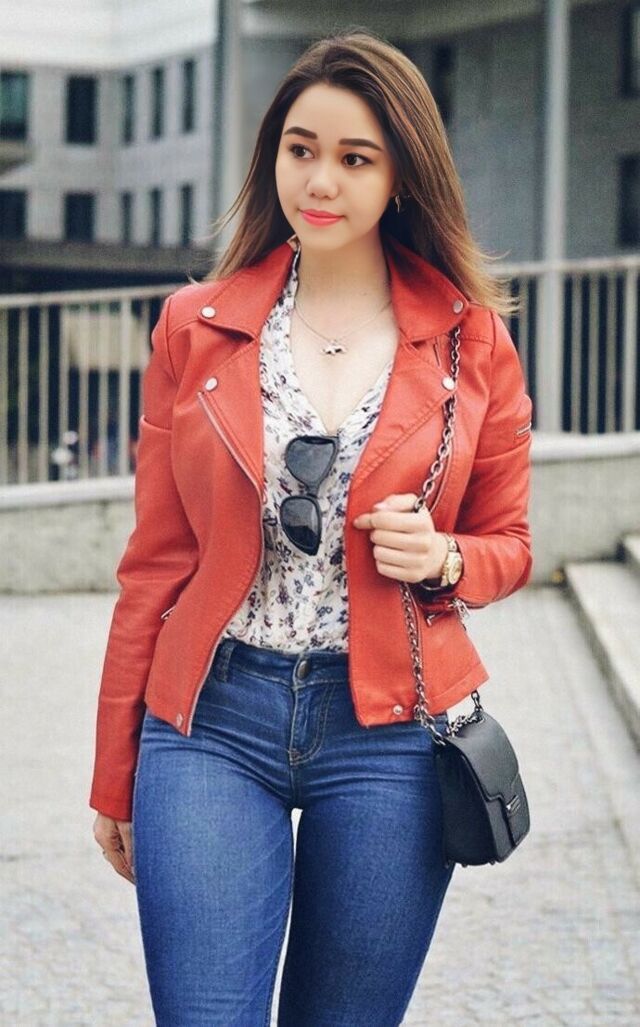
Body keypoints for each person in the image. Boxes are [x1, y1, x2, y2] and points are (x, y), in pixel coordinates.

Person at [90, 29, 533, 1027]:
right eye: (300, 149)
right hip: (210, 719)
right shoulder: (194, 327)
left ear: (401, 175)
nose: (319, 180)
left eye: (354, 157)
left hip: (390, 731)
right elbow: (154, 563)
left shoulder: (472, 342)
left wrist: (445, 556)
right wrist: (114, 769)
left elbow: (509, 543)